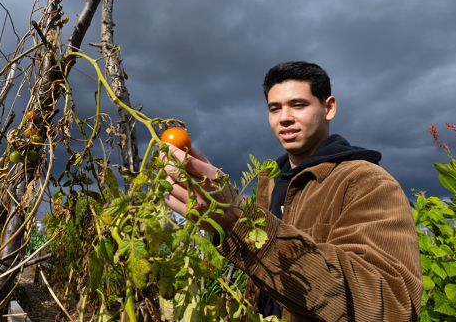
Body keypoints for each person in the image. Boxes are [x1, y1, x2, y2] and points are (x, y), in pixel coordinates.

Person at [161, 61, 422, 321]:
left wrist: (236, 219)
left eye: (298, 105)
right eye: (275, 108)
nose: (284, 117)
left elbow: (389, 306)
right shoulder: (270, 182)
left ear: (329, 108)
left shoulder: (367, 182)